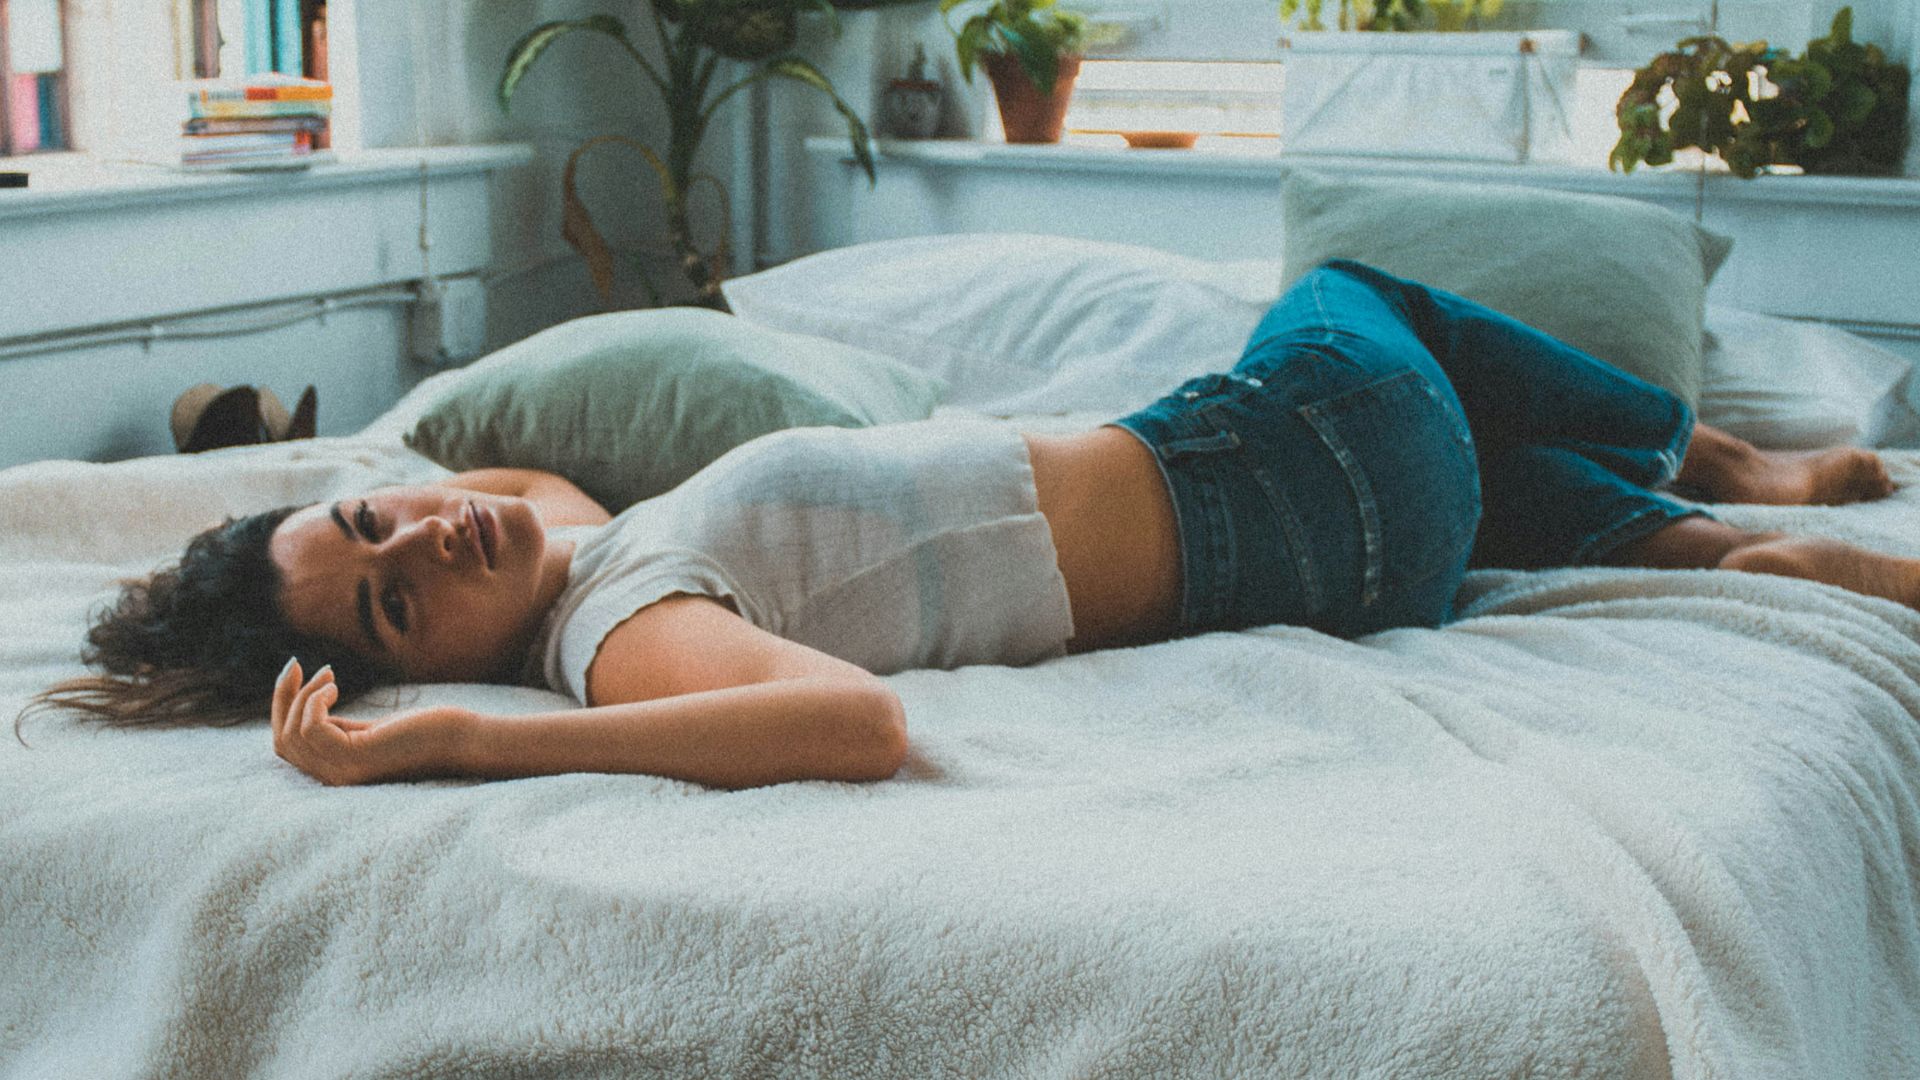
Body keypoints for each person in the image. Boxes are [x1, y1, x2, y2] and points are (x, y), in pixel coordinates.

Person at [26, 261, 1910, 790]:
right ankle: (1727, 472)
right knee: (1349, 288)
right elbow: (856, 726)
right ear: (446, 670)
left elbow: (506, 487)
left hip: (1356, 550)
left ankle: (1713, 548)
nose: (430, 544)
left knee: (1507, 492)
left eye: (381, 516)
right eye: (396, 600)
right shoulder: (622, 635)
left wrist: (381, 507)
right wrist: (440, 743)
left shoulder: (584, 548)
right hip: (1287, 464)